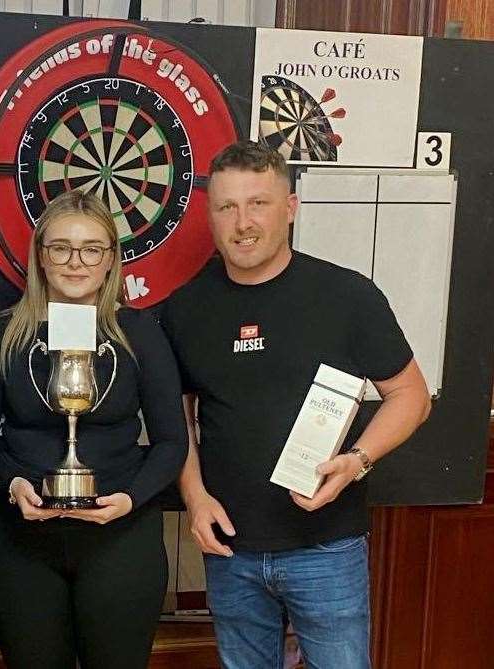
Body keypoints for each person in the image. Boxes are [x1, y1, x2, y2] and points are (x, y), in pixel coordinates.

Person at [160, 140, 432, 669]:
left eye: (258, 203)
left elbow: (411, 396)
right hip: (230, 549)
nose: (243, 223)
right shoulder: (186, 308)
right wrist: (194, 499)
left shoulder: (347, 296)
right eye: (227, 207)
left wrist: (357, 462)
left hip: (327, 548)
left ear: (290, 207)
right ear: (210, 214)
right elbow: (177, 418)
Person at [0, 190, 188, 669]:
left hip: (120, 538)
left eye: (92, 248)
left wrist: (130, 498)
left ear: (110, 258)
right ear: (41, 254)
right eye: (61, 248)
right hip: (20, 544)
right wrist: (13, 486)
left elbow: (172, 442)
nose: (76, 262)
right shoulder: (2, 335)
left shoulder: (140, 332)